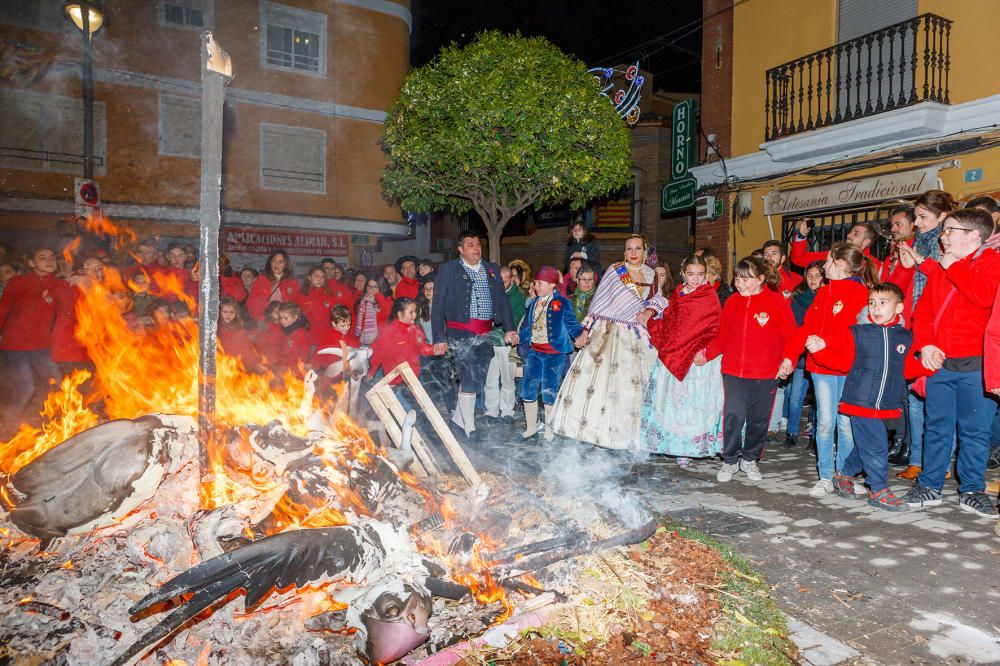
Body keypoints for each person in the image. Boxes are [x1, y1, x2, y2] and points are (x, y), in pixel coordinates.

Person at [897, 208, 1000, 516]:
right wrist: (926, 344)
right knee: (937, 428)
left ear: (974, 236)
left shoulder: (992, 263)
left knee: (975, 432)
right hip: (941, 363)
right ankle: (929, 485)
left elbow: (982, 297)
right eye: (944, 232)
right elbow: (924, 312)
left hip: (977, 367)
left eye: (950, 231)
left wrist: (953, 266)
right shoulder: (941, 268)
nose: (944, 238)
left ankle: (971, 490)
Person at [549, 234, 667, 449]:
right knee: (606, 386)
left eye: (637, 248)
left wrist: (649, 311)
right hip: (610, 333)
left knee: (634, 388)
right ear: (624, 252)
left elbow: (658, 299)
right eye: (629, 248)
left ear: (644, 251)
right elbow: (598, 305)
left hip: (639, 336)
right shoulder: (615, 271)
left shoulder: (652, 274)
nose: (633, 253)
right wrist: (584, 332)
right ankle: (603, 434)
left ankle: (632, 437)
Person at [811, 283, 923, 510]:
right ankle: (879, 489)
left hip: (887, 404)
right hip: (860, 401)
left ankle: (843, 475)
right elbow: (843, 362)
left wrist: (927, 366)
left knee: (866, 446)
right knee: (877, 446)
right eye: (872, 302)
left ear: (899, 307)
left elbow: (908, 370)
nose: (876, 307)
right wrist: (820, 351)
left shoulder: (904, 337)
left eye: (883, 302)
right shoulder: (858, 333)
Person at [779, 243, 875, 497]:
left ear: (841, 265)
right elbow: (806, 328)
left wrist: (827, 343)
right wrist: (789, 356)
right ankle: (824, 476)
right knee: (824, 422)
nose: (823, 267)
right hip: (822, 368)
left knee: (845, 425)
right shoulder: (823, 293)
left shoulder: (862, 295)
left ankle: (843, 475)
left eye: (828, 262)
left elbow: (860, 334)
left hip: (848, 370)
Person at [701, 257, 796, 482]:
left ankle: (750, 458)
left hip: (766, 373)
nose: (739, 283)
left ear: (761, 279)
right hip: (734, 371)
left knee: (759, 419)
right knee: (733, 414)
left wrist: (788, 359)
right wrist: (706, 354)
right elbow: (723, 336)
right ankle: (730, 460)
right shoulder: (732, 302)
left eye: (745, 279)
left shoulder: (776, 302)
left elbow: (792, 336)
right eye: (737, 278)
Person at [431, 231, 517, 442]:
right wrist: (439, 338)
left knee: (477, 378)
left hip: (486, 333)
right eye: (470, 244)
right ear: (460, 249)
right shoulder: (448, 269)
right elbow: (438, 305)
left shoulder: (491, 269)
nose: (476, 247)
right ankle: (470, 427)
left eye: (478, 243)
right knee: (469, 377)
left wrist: (510, 328)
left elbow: (502, 301)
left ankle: (458, 419)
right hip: (460, 332)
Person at [893, 190, 955, 480]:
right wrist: (905, 266)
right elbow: (896, 288)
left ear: (943, 216)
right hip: (914, 326)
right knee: (915, 398)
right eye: (916, 216)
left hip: (940, 329)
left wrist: (920, 261)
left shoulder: (949, 245)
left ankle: (939, 464)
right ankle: (917, 460)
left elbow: (947, 281)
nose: (916, 223)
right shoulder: (914, 243)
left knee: (939, 401)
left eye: (922, 217)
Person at [640, 255, 723, 465]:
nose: (696, 279)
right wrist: (654, 324)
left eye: (701, 275)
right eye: (691, 274)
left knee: (693, 407)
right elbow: (671, 322)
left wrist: (705, 350)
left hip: (698, 362)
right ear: (683, 274)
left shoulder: (709, 296)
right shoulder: (677, 293)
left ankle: (689, 449)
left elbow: (715, 327)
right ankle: (674, 446)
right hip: (675, 354)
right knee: (673, 405)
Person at [518, 266, 587, 439]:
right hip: (535, 351)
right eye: (535, 283)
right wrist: (519, 337)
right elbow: (530, 325)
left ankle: (550, 428)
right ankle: (531, 426)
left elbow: (571, 323)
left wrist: (580, 335)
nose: (536, 286)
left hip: (554, 353)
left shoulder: (562, 303)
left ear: (552, 285)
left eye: (540, 283)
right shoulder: (534, 302)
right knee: (528, 388)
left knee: (549, 390)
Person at [0, 247, 62, 434]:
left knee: (57, 384)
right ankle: (6, 431)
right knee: (26, 387)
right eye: (42, 258)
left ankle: (54, 426)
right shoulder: (17, 282)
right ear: (31, 263)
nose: (49, 261)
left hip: (40, 346)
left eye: (52, 257)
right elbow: (3, 309)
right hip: (15, 345)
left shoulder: (59, 285)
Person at [781, 261, 824, 448]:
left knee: (818, 399)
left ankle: (815, 436)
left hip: (819, 355)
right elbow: (793, 326)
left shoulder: (826, 298)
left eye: (817, 275)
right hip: (801, 355)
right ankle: (792, 433)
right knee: (795, 396)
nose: (813, 279)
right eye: (809, 275)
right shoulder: (799, 299)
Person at [484, 266, 526, 425]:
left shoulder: (518, 298)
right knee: (491, 379)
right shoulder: (490, 292)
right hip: (491, 343)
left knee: (508, 379)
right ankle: (491, 410)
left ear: (512, 279)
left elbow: (515, 320)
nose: (501, 284)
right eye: (498, 281)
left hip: (507, 344)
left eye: (505, 281)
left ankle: (507, 411)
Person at [50, 256, 104, 379]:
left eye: (99, 269)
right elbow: (71, 313)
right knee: (78, 391)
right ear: (81, 272)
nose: (95, 273)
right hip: (70, 349)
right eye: (89, 269)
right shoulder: (70, 286)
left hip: (92, 351)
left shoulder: (101, 292)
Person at [368, 297, 436, 386]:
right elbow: (379, 352)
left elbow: (422, 347)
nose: (415, 315)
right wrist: (372, 370)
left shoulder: (415, 329)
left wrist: (435, 349)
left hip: (413, 376)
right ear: (400, 314)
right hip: (395, 378)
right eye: (411, 312)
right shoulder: (390, 330)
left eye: (415, 311)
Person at [791, 219, 882, 273]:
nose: (848, 235)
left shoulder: (874, 265)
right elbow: (799, 259)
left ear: (866, 242)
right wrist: (802, 235)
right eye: (850, 232)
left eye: (856, 234)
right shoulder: (833, 255)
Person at [246, 250, 302, 321]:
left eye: (280, 262)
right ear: (270, 263)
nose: (276, 264)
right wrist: (261, 319)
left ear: (286, 264)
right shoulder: (261, 280)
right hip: (266, 321)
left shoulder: (292, 282)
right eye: (274, 261)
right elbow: (251, 303)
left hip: (285, 321)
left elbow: (297, 303)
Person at [217, 296, 261, 371]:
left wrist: (255, 364)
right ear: (219, 312)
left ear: (236, 313)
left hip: (236, 368)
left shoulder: (239, 330)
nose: (228, 315)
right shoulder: (216, 330)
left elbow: (247, 349)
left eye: (232, 312)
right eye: (225, 312)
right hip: (220, 367)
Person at [275, 302, 310, 377]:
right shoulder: (285, 331)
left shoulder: (300, 333)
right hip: (285, 367)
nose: (282, 321)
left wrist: (297, 368)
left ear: (295, 317)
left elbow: (304, 353)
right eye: (280, 318)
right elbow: (282, 351)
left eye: (286, 318)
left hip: (297, 370)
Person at [354, 277, 392, 346]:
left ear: (381, 288)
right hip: (363, 340)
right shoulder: (362, 301)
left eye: (375, 287)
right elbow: (358, 322)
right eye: (369, 287)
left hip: (380, 341)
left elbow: (387, 314)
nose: (371, 290)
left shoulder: (387, 300)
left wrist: (378, 295)